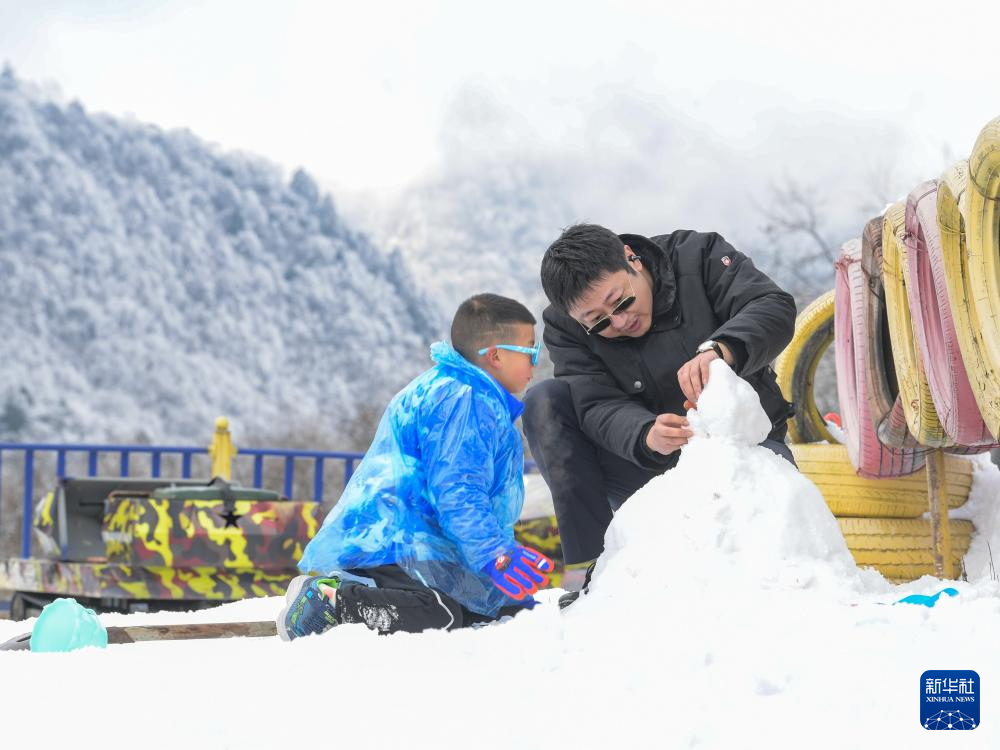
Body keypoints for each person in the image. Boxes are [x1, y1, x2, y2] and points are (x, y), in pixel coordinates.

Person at [522, 224, 797, 604]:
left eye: (621, 301)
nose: (620, 322)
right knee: (544, 400)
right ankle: (589, 574)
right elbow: (594, 402)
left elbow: (772, 306)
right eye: (598, 322)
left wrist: (722, 349)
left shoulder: (698, 257)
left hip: (742, 449)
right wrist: (643, 433)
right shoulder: (565, 327)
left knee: (773, 549)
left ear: (631, 259)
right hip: (646, 464)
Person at [278, 293, 554, 640]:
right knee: (437, 615)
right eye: (530, 351)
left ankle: (370, 591)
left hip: (430, 546)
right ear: (496, 355)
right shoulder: (464, 400)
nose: (534, 362)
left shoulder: (469, 393)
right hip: (396, 544)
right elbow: (458, 490)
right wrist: (492, 553)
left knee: (511, 611)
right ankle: (330, 601)